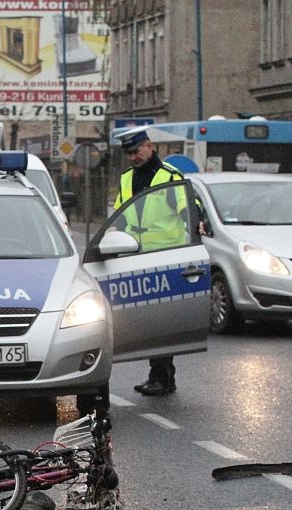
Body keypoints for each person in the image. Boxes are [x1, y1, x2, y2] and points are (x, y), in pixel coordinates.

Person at [113, 125, 193, 397]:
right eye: (129, 154)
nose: (133, 157)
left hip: (165, 257)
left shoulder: (170, 177)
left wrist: (197, 229)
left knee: (160, 321)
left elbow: (188, 210)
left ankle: (163, 377)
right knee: (144, 321)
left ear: (150, 145)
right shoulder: (126, 179)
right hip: (134, 255)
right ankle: (158, 375)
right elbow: (119, 216)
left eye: (137, 151)